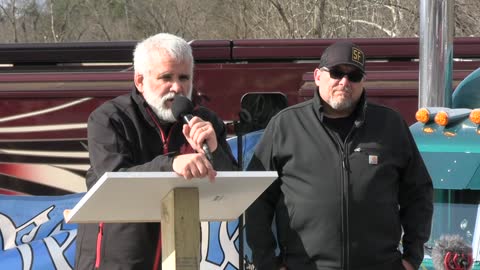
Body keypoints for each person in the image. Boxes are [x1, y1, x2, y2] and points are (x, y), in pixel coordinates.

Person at [245, 41, 433, 270]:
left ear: (363, 82)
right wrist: (267, 263)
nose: (344, 82)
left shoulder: (390, 125)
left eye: (354, 76)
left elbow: (418, 193)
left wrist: (412, 257)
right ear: (317, 76)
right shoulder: (286, 126)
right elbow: (255, 197)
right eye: (336, 73)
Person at [74, 33, 237, 270]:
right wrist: (171, 165)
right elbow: (113, 179)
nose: (178, 87)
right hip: (116, 260)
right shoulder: (110, 119)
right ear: (140, 81)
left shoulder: (205, 121)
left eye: (184, 77)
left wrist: (214, 149)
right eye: (166, 77)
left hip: (182, 254)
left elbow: (233, 186)